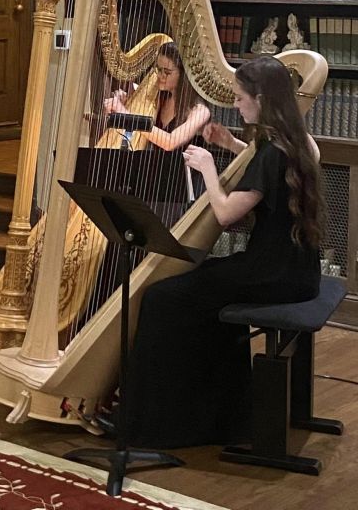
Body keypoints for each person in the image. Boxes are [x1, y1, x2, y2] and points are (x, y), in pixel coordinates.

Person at [100, 55, 325, 448]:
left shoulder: (272, 153)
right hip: (296, 269)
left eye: (240, 99)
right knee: (197, 287)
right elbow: (264, 171)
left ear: (260, 99)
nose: (236, 105)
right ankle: (225, 415)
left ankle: (159, 424)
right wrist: (231, 143)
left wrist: (206, 166)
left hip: (268, 274)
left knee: (161, 298)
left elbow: (223, 214)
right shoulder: (299, 140)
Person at [103, 42, 210, 219]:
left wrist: (126, 114)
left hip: (177, 191)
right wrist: (122, 100)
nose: (160, 76)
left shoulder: (200, 110)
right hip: (150, 180)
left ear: (184, 74)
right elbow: (133, 98)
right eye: (157, 69)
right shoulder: (157, 97)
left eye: (167, 72)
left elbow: (170, 142)